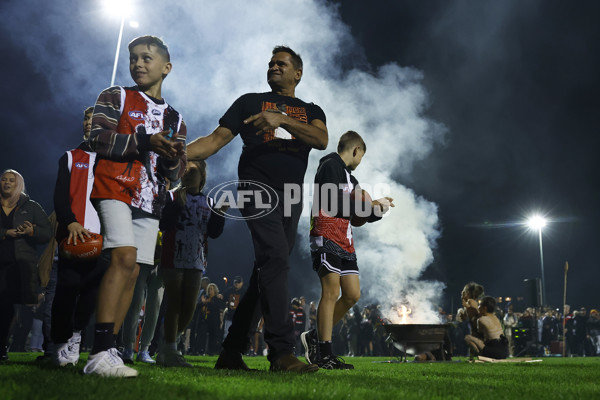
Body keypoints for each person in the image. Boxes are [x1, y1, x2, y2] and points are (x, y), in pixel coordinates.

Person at [187, 45, 328, 373]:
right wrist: (178, 154)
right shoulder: (248, 101)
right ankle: (281, 352)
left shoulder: (311, 110)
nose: (274, 67)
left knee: (265, 270)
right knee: (276, 259)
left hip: (292, 195)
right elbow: (215, 139)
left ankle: (231, 352)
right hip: (256, 188)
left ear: (298, 73)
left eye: (282, 63)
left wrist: (281, 118)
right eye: (271, 63)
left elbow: (321, 140)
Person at [83, 35, 187, 377]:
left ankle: (111, 349)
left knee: (134, 273)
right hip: (113, 186)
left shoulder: (176, 118)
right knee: (123, 259)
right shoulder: (115, 96)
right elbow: (97, 138)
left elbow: (175, 171)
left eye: (146, 58)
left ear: (166, 68)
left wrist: (173, 159)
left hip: (150, 199)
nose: (138, 64)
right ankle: (98, 352)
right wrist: (145, 141)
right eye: (134, 58)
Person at [300, 131, 393, 369]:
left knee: (352, 295)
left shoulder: (352, 180)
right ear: (356, 150)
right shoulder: (330, 165)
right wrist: (367, 206)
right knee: (330, 293)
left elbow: (360, 215)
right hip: (325, 232)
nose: (360, 160)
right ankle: (324, 353)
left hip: (345, 239)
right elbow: (331, 202)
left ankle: (313, 336)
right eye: (361, 155)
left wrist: (378, 209)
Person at [50, 106, 108, 367]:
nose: (87, 123)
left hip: (103, 239)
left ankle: (75, 336)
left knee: (91, 293)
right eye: (85, 119)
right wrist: (71, 222)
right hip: (73, 238)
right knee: (66, 289)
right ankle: (60, 342)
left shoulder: (114, 160)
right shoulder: (71, 157)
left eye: (93, 119)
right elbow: (60, 196)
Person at [157, 160, 225, 367]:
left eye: (192, 170)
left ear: (202, 176)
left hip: (196, 258)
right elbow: (163, 224)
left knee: (189, 306)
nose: (187, 173)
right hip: (173, 255)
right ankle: (169, 350)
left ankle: (170, 341)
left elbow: (214, 233)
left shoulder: (209, 201)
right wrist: (177, 204)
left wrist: (220, 214)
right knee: (175, 302)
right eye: (184, 169)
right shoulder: (172, 196)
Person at [0, 169, 52, 361]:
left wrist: (32, 231)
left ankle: (5, 347)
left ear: (19, 184)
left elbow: (47, 233)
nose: (6, 183)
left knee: (9, 307)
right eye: (4, 179)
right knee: (5, 306)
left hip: (18, 267)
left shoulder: (31, 206)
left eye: (11, 180)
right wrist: (5, 233)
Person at [119, 231, 165, 364]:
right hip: (141, 256)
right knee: (135, 303)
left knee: (154, 308)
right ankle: (128, 347)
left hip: (160, 261)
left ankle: (144, 349)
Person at [222, 275, 244, 339]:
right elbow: (223, 298)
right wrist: (221, 296)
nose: (237, 284)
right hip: (230, 316)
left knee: (238, 335)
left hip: (240, 318)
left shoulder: (244, 292)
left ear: (242, 283)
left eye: (238, 282)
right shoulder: (229, 290)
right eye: (235, 282)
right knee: (227, 334)